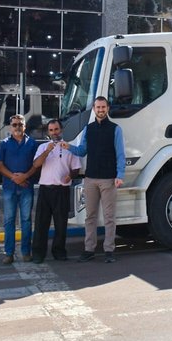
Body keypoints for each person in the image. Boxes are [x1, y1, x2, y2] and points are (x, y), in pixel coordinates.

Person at [61, 96, 126, 263]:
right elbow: (82, 151)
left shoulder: (115, 129)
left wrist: (120, 175)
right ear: (95, 109)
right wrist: (69, 147)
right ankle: (89, 249)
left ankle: (109, 251)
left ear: (107, 108)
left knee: (109, 217)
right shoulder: (88, 129)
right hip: (90, 179)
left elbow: (120, 154)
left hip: (109, 179)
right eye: (98, 107)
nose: (101, 110)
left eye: (103, 107)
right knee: (90, 216)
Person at [31, 119, 81, 263]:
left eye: (56, 129)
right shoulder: (42, 147)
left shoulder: (70, 147)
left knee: (61, 224)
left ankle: (59, 251)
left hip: (62, 191)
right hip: (45, 190)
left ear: (61, 130)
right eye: (51, 130)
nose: (54, 133)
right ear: (48, 132)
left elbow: (76, 168)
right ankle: (38, 253)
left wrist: (70, 176)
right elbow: (36, 164)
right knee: (41, 223)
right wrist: (48, 151)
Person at [0, 114, 39, 263]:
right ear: (10, 126)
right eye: (14, 124)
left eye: (20, 124)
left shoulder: (32, 144)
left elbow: (36, 165)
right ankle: (9, 253)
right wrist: (15, 178)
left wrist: (25, 177)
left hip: (27, 188)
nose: (17, 127)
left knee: (26, 221)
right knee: (9, 221)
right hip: (9, 188)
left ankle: (26, 252)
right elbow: (0, 166)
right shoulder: (4, 144)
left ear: (25, 126)